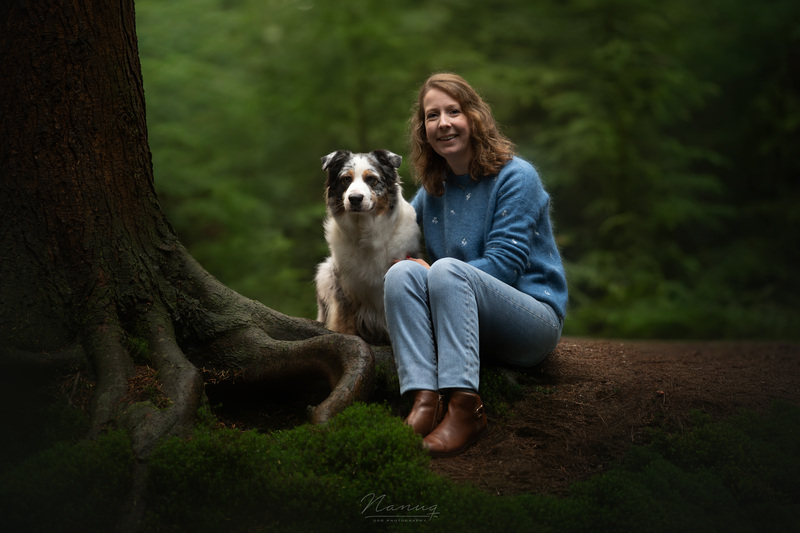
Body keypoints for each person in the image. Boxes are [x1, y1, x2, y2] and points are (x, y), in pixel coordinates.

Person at [383, 73, 568, 457]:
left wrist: (435, 272)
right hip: (465, 320)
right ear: (423, 130)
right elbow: (392, 241)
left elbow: (504, 266)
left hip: (529, 318)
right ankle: (424, 400)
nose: (443, 123)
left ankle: (466, 408)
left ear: (475, 117)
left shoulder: (517, 177)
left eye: (454, 111)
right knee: (401, 272)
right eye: (432, 116)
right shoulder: (433, 190)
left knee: (446, 269)